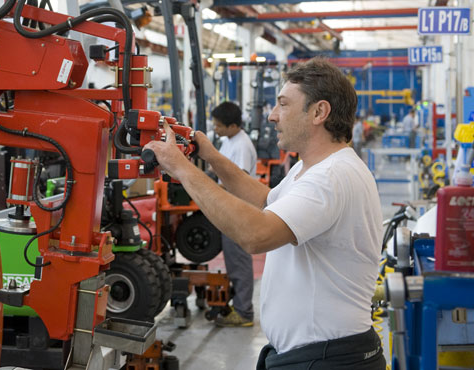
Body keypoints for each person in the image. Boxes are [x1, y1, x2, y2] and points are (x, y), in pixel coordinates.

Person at [144, 58, 384, 369]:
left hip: (328, 359)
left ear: (318, 112)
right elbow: (265, 200)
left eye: (283, 105)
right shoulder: (310, 167)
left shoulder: (331, 177)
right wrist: (211, 156)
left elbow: (255, 235)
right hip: (310, 355)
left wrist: (181, 168)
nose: (272, 116)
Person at [209, 101, 257, 327]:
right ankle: (237, 304)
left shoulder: (242, 146)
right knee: (231, 258)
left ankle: (244, 312)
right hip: (227, 206)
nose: (215, 129)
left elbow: (239, 181)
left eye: (219, 126)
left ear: (234, 125)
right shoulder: (228, 141)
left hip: (237, 208)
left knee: (239, 260)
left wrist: (208, 189)